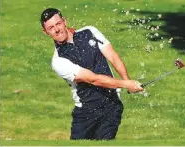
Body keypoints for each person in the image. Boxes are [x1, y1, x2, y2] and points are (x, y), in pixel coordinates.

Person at [40, 8, 143, 140]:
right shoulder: (58, 61)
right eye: (51, 28)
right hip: (85, 113)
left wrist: (127, 80)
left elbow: (113, 56)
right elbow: (93, 79)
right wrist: (126, 84)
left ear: (64, 21)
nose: (57, 29)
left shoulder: (90, 32)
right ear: (46, 32)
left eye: (58, 23)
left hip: (111, 105)